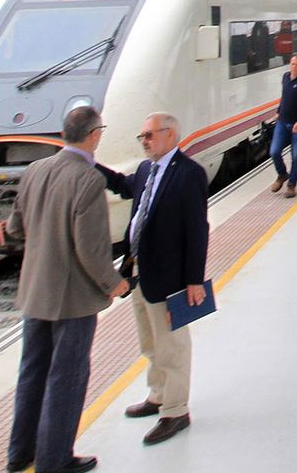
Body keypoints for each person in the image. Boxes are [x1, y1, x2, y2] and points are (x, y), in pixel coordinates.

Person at [0, 106, 128, 473]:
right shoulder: (87, 180)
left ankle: (20, 453)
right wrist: (114, 283)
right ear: (94, 135)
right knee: (66, 377)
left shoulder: (36, 170)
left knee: (31, 372)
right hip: (72, 298)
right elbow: (90, 248)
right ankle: (55, 459)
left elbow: (16, 229)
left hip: (34, 292)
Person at [95, 113, 208, 447]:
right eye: (141, 136)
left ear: (170, 134)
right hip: (141, 272)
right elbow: (122, 185)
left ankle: (176, 411)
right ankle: (158, 395)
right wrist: (89, 163)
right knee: (150, 342)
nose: (144, 140)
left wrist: (194, 280)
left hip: (172, 277)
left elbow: (197, 230)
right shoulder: (146, 169)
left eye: (149, 135)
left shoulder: (190, 174)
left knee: (173, 345)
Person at [270, 53, 297, 197]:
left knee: (295, 156)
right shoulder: (285, 77)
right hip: (282, 122)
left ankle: (291, 185)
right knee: (274, 151)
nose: (294, 67)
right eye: (293, 64)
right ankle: (282, 174)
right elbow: (284, 97)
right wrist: (278, 111)